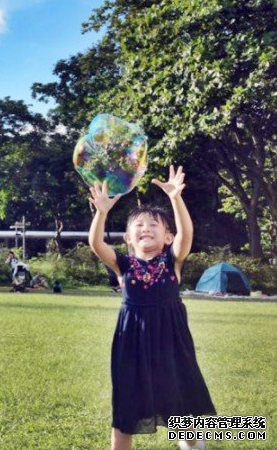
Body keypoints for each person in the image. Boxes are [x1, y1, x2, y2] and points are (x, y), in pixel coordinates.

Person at [88, 166, 215, 450]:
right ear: (128, 238)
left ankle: (193, 443)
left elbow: (187, 234)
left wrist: (175, 198)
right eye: (139, 225)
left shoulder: (172, 261)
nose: (146, 228)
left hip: (170, 339)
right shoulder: (123, 265)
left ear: (168, 238)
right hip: (131, 340)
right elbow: (96, 244)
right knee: (127, 403)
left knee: (182, 393)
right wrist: (102, 212)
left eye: (154, 225)